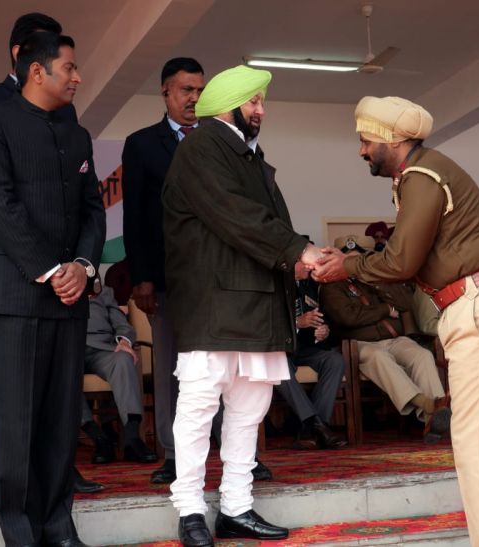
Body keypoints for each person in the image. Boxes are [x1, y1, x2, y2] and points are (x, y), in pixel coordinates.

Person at [312, 96, 479, 547]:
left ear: (393, 139)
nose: (361, 150)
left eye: (365, 140)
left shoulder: (421, 175)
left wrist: (349, 266)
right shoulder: (421, 172)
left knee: (477, 446)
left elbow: (401, 262)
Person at [162, 65, 325, 546]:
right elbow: (237, 216)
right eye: (253, 102)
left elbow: (262, 222)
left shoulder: (247, 153)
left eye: (261, 101)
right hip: (214, 303)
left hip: (255, 301)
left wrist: (294, 257)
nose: (261, 110)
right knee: (198, 409)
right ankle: (190, 510)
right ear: (227, 106)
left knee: (248, 410)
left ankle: (236, 505)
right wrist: (298, 250)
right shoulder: (201, 147)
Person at [0, 30, 105, 546]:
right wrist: (52, 268)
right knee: (17, 418)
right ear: (37, 70)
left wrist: (84, 266)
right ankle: (20, 530)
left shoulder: (78, 135)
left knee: (61, 416)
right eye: (69, 67)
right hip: (18, 293)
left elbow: (93, 209)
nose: (78, 76)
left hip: (70, 296)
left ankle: (57, 522)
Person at [121, 57, 205, 484]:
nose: (194, 99)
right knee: (174, 368)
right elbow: (134, 218)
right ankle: (173, 455)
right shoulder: (141, 144)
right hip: (167, 278)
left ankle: (231, 452)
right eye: (186, 90)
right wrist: (142, 278)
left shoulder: (218, 139)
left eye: (199, 91)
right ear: (166, 92)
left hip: (215, 280)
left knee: (220, 367)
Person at [320, 236, 450, 444]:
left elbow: (404, 303)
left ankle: (433, 417)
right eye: (348, 258)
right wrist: (383, 310)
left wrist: (374, 282)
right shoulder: (332, 286)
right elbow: (348, 317)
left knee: (421, 355)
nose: (353, 263)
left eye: (358, 258)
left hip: (394, 340)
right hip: (359, 344)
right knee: (379, 357)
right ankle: (427, 405)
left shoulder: (376, 280)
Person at [80, 282, 157, 464]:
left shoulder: (105, 292)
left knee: (124, 358)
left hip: (104, 349)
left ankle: (132, 438)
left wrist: (123, 341)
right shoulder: (55, 289)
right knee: (61, 370)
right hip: (69, 350)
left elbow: (122, 324)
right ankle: (100, 439)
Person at [277, 260, 347, 449]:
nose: (310, 267)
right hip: (281, 348)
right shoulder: (275, 283)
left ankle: (312, 430)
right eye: (304, 263)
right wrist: (298, 323)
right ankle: (317, 426)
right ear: (291, 263)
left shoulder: (310, 285)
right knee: (279, 366)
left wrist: (323, 331)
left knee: (335, 360)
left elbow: (321, 318)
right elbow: (268, 322)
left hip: (305, 348)